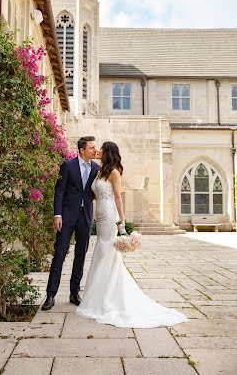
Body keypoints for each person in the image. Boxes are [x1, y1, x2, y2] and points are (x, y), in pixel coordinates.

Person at [76, 141, 188, 328]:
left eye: (102, 148)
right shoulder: (99, 171)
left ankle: (109, 298)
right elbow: (95, 194)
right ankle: (99, 295)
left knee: (106, 253)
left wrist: (122, 223)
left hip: (110, 216)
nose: (99, 150)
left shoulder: (114, 172)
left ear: (108, 152)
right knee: (101, 254)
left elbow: (118, 198)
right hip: (100, 216)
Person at [42, 136, 100, 310]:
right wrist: (57, 215)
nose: (95, 150)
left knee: (80, 255)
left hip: (85, 217)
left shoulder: (97, 168)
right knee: (59, 253)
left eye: (95, 147)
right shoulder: (67, 166)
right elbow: (59, 191)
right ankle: (51, 295)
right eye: (91, 148)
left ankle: (74, 293)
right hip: (66, 216)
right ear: (82, 150)